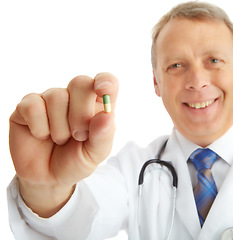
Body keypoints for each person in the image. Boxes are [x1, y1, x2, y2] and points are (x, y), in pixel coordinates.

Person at [7, 1, 233, 239]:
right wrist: (46, 189)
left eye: (214, 60)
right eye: (176, 65)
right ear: (156, 83)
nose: (197, 81)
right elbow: (85, 218)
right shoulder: (134, 168)